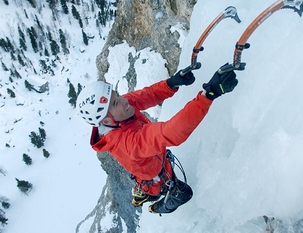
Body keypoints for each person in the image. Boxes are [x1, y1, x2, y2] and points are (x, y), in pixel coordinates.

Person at [77, 68, 238, 214]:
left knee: (157, 174)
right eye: (115, 102)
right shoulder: (126, 144)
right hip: (156, 177)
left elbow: (147, 95)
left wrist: (171, 84)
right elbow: (170, 132)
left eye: (117, 94)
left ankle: (142, 194)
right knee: (184, 194)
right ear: (105, 121)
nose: (124, 100)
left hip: (155, 161)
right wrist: (208, 95)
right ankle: (157, 207)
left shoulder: (118, 111)